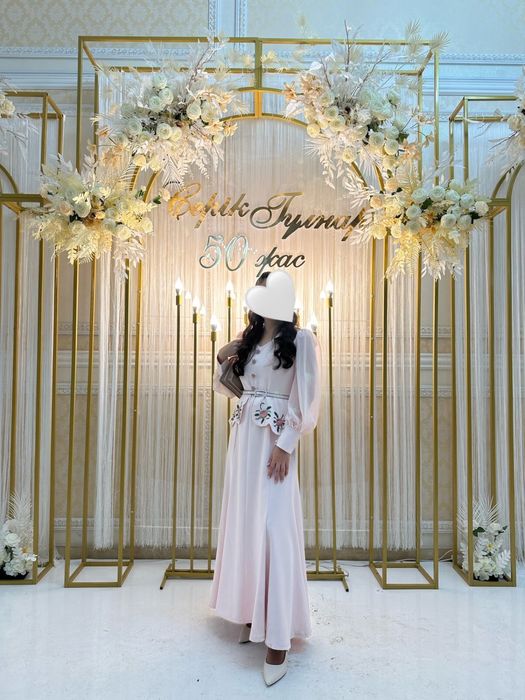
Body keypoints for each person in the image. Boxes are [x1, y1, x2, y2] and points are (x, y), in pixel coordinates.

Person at [208, 270, 322, 687]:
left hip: (273, 442)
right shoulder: (252, 340)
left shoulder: (302, 340)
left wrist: (285, 445)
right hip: (244, 440)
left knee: (276, 529)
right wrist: (233, 347)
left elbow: (307, 397)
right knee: (247, 525)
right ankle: (251, 613)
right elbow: (228, 380)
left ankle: (279, 638)